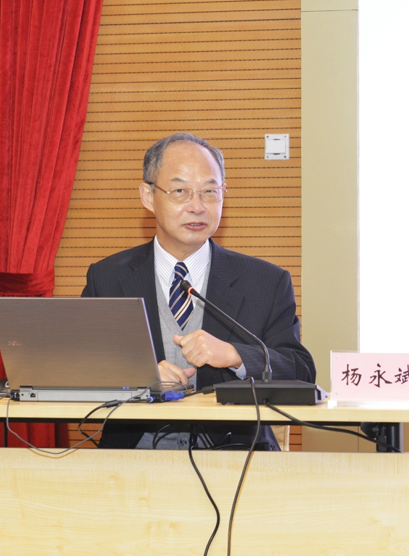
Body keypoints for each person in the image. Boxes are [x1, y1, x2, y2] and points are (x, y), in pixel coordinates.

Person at [82, 133, 315, 450]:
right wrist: (137, 376)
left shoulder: (266, 281)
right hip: (134, 454)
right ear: (148, 196)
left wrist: (235, 356)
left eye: (209, 192)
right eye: (180, 191)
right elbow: (78, 368)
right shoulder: (108, 277)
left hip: (236, 455)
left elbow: (301, 372)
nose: (197, 206)